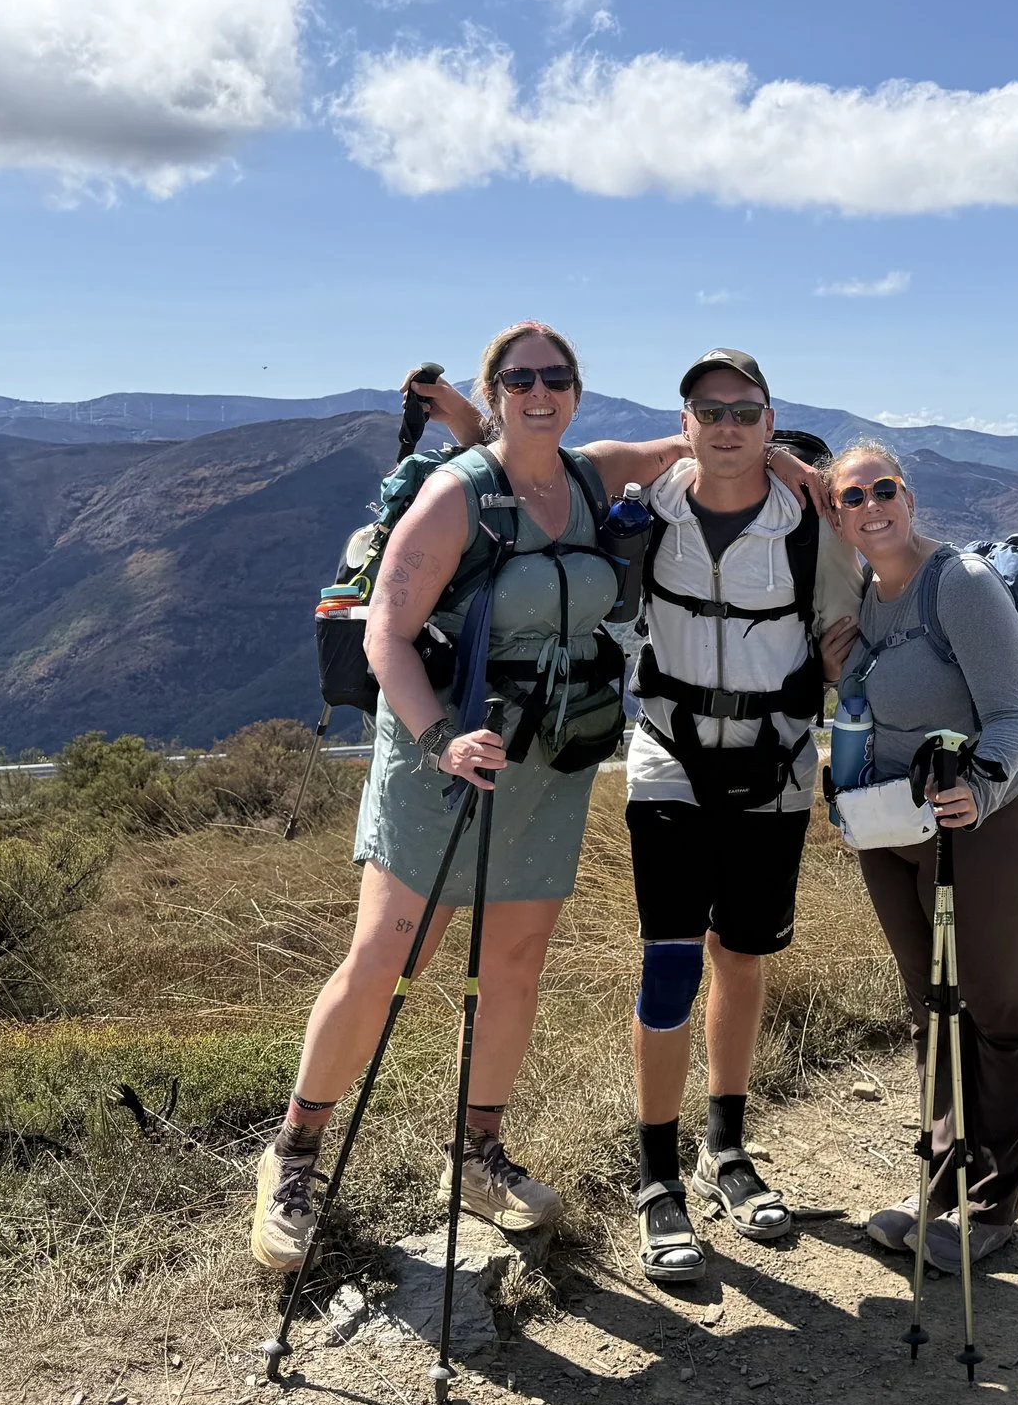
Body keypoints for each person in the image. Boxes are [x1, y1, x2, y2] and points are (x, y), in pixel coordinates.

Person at [250, 324, 811, 1272]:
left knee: (512, 964)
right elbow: (387, 635)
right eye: (520, 380)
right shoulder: (453, 498)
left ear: (578, 391)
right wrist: (438, 736)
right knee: (390, 957)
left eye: (556, 377)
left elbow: (703, 443)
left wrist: (806, 474)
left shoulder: (594, 476)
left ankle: (475, 1154)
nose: (539, 391)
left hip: (548, 759)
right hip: (443, 751)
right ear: (498, 391)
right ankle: (294, 1155)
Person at [622, 349, 860, 1283]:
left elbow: (845, 641)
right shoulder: (651, 506)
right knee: (672, 956)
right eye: (708, 408)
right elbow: (526, 460)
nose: (726, 423)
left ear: (770, 421)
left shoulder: (814, 525)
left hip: (777, 765)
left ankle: (725, 1149)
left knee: (743, 953)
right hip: (669, 754)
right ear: (685, 422)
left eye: (744, 409)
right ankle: (655, 1180)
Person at [817, 438, 1018, 1273]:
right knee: (932, 1006)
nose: (871, 504)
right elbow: (879, 709)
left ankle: (992, 1205)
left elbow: (1015, 715)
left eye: (885, 488)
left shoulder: (963, 584)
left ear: (908, 498)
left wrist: (980, 790)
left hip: (983, 820)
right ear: (835, 513)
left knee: (995, 1006)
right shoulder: (865, 598)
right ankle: (942, 1185)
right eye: (851, 496)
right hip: (894, 824)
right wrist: (842, 676)